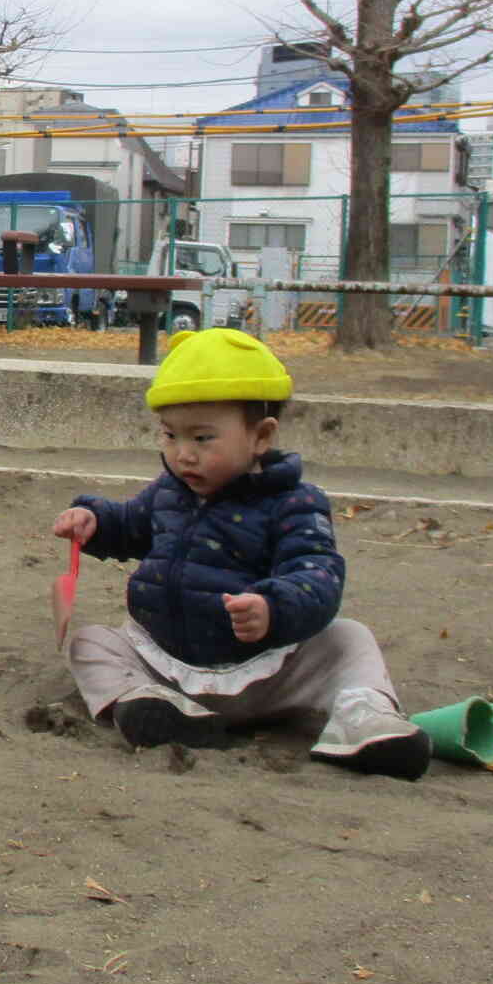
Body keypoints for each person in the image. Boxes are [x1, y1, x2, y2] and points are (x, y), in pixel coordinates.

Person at [51, 328, 430, 779]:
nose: (182, 455)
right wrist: (94, 522)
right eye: (170, 435)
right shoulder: (169, 493)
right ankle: (154, 706)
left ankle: (363, 716)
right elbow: (131, 525)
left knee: (349, 639)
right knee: (91, 642)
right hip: (168, 666)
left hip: (267, 673)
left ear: (261, 436)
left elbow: (319, 574)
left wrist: (273, 606)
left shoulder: (294, 503)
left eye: (202, 438)